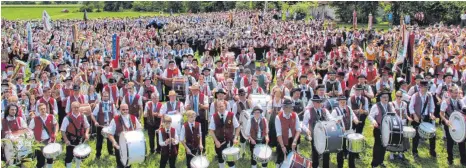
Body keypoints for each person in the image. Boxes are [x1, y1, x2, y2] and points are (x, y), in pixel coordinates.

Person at [107, 104, 143, 168]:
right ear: (120, 110)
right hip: (119, 146)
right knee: (120, 164)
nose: (126, 111)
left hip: (131, 145)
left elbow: (139, 129)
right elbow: (110, 133)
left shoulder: (133, 118)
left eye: (127, 109)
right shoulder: (115, 119)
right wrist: (114, 142)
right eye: (123, 110)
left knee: (129, 163)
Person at [409, 80, 436, 158]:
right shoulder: (415, 96)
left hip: (427, 117)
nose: (425, 89)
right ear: (420, 87)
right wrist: (414, 115)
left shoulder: (429, 96)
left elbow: (432, 107)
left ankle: (432, 150)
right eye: (424, 87)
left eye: (426, 87)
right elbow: (411, 107)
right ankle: (414, 152)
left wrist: (431, 114)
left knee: (432, 134)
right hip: (417, 117)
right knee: (416, 135)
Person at [302, 96, 332, 168]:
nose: (319, 104)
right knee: (315, 153)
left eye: (320, 102)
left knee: (326, 152)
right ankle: (315, 166)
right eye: (317, 102)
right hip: (314, 135)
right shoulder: (308, 111)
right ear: (313, 103)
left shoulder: (325, 110)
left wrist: (335, 120)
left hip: (325, 135)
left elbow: (331, 118)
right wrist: (307, 130)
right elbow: (303, 124)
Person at [209, 100, 240, 168]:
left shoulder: (231, 115)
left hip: (229, 141)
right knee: (220, 158)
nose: (221, 108)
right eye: (219, 107)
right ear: (217, 108)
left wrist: (235, 138)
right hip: (219, 142)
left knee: (231, 160)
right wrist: (216, 141)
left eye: (222, 106)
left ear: (225, 106)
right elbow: (211, 130)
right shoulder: (214, 116)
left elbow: (237, 127)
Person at [368, 90, 394, 168]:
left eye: (387, 97)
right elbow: (370, 116)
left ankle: (381, 161)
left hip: (387, 129)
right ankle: (374, 163)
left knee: (384, 145)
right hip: (378, 129)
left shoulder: (390, 105)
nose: (386, 99)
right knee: (377, 146)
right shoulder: (376, 106)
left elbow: (393, 114)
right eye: (384, 97)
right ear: (380, 98)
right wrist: (374, 121)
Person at [440, 86, 465, 165]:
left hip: (459, 125)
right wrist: (445, 120)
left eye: (457, 93)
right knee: (450, 143)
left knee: (462, 142)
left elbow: (463, 110)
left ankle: (463, 160)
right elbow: (441, 114)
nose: (456, 94)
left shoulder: (460, 101)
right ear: (450, 93)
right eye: (455, 93)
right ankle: (450, 159)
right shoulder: (445, 102)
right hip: (449, 125)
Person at [332, 96, 359, 168]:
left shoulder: (349, 108)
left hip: (350, 132)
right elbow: (332, 122)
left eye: (344, 102)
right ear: (338, 102)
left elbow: (353, 116)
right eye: (341, 102)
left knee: (351, 150)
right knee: (340, 151)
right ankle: (340, 166)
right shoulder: (335, 111)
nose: (343, 103)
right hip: (341, 134)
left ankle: (352, 166)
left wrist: (355, 119)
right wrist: (338, 126)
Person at [60, 102, 90, 168]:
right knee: (69, 156)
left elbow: (87, 126)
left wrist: (86, 133)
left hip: (80, 139)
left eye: (77, 107)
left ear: (79, 107)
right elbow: (62, 130)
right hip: (70, 139)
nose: (76, 109)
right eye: (74, 107)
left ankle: (78, 167)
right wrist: (66, 140)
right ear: (71, 108)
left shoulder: (83, 116)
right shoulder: (67, 118)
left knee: (79, 155)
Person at [29, 103, 59, 168]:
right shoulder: (35, 119)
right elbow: (29, 130)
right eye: (41, 109)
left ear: (46, 109)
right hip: (39, 142)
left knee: (50, 158)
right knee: (40, 160)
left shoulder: (51, 117)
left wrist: (56, 133)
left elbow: (56, 124)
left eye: (44, 109)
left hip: (49, 140)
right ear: (38, 110)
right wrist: (34, 139)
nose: (43, 110)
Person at [91, 92, 117, 159]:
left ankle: (110, 152)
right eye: (104, 96)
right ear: (102, 97)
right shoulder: (98, 105)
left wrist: (114, 122)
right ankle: (98, 154)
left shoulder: (112, 105)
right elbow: (93, 115)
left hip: (109, 125)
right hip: (101, 125)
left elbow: (115, 115)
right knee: (99, 140)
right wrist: (95, 122)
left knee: (110, 140)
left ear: (108, 97)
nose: (105, 97)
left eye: (107, 96)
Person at [388, 91, 412, 160]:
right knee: (394, 138)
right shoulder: (391, 103)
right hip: (395, 123)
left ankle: (400, 152)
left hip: (403, 123)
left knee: (402, 138)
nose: (398, 98)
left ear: (402, 97)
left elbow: (405, 113)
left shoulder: (404, 104)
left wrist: (408, 117)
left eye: (400, 96)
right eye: (397, 96)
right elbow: (392, 113)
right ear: (395, 96)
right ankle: (392, 153)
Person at [185, 84, 209, 149]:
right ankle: (194, 147)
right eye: (192, 90)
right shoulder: (189, 96)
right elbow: (186, 107)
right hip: (192, 118)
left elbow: (207, 106)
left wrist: (202, 106)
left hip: (201, 117)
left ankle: (202, 148)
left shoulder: (204, 96)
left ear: (198, 90)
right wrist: (188, 107)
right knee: (193, 133)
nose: (194, 92)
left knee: (202, 133)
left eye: (195, 90)